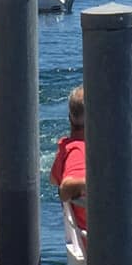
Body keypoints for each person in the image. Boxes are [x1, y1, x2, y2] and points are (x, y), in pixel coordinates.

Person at [51, 86, 88, 233]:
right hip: (105, 240)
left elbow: (54, 178)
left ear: (70, 118)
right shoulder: (79, 150)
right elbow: (65, 187)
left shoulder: (67, 147)